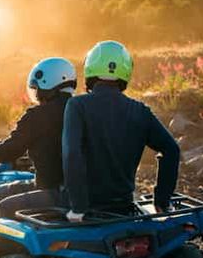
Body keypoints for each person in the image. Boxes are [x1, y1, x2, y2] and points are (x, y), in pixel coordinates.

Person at [62, 41, 180, 222]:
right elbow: (172, 150)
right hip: (124, 207)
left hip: (88, 208)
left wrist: (78, 207)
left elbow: (72, 154)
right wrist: (162, 201)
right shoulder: (140, 110)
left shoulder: (77, 105)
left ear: (90, 68)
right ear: (125, 71)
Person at [0, 57, 77, 219]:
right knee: (10, 189)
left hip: (53, 193)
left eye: (37, 88)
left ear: (47, 85)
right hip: (80, 193)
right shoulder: (82, 110)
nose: (36, 94)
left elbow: (8, 151)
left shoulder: (37, 116)